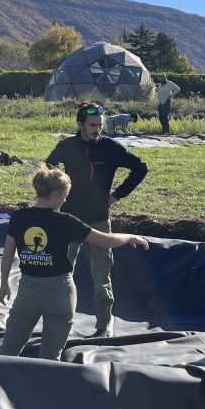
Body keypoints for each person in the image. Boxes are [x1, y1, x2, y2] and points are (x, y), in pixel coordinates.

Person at [0, 167, 150, 360]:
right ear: (56, 195)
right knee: (51, 358)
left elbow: (7, 255)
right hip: (60, 292)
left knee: (7, 351)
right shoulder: (66, 221)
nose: (65, 201)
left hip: (28, 291)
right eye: (65, 196)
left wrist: (4, 284)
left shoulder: (19, 217)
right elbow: (105, 241)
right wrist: (128, 236)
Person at [44, 102, 149, 338]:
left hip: (99, 220)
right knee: (60, 273)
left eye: (100, 125)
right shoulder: (67, 146)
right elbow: (48, 167)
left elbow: (141, 168)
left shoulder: (111, 148)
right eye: (92, 125)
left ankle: (103, 327)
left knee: (101, 276)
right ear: (80, 124)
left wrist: (115, 196)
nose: (97, 130)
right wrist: (56, 195)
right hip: (68, 219)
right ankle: (58, 321)